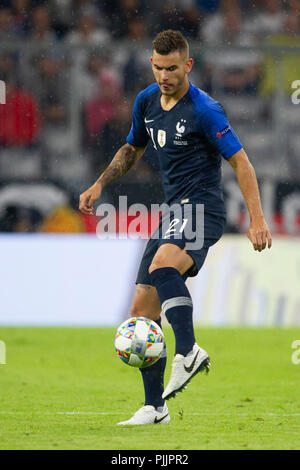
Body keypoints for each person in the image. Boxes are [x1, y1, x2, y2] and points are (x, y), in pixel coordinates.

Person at [79, 30, 272, 426]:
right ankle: (155, 408)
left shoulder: (206, 109)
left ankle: (188, 350)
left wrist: (257, 219)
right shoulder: (146, 100)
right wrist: (100, 183)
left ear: (188, 65)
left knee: (163, 265)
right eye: (157, 67)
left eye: (171, 68)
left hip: (203, 208)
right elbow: (132, 148)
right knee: (141, 313)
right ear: (151, 64)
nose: (164, 75)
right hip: (173, 212)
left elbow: (242, 163)